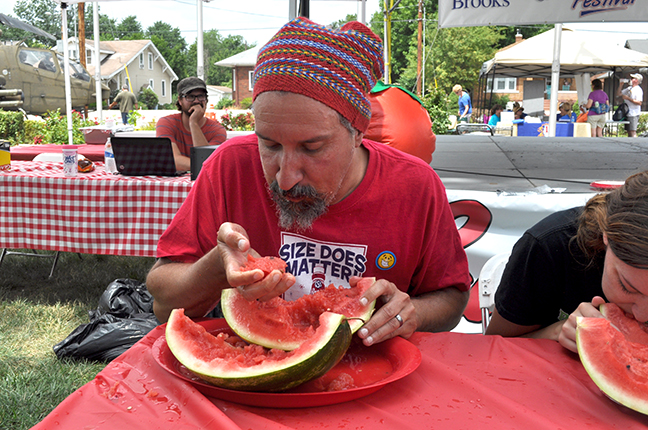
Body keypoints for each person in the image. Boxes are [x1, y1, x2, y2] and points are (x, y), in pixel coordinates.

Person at [146, 17, 471, 347]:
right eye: (269, 145)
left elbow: (452, 300)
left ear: (358, 132)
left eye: (312, 148)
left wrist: (410, 311)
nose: (285, 178)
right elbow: (162, 297)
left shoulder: (416, 186)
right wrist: (217, 266)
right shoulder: (230, 165)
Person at [486, 171, 648, 353]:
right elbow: (496, 346)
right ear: (606, 236)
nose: (642, 315)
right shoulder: (548, 247)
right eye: (627, 287)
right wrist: (556, 332)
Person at [156, 77, 227, 172]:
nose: (196, 101)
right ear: (180, 100)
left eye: (201, 96)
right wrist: (200, 165)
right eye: (190, 96)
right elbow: (173, 160)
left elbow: (206, 161)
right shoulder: (166, 123)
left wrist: (194, 123)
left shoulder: (217, 130)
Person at [617, 73, 644, 137]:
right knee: (628, 130)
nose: (630, 80)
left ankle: (634, 143)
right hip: (627, 112)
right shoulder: (629, 88)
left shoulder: (638, 90)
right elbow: (619, 94)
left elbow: (639, 102)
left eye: (632, 78)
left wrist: (628, 98)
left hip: (633, 113)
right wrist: (621, 85)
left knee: (632, 131)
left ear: (636, 80)